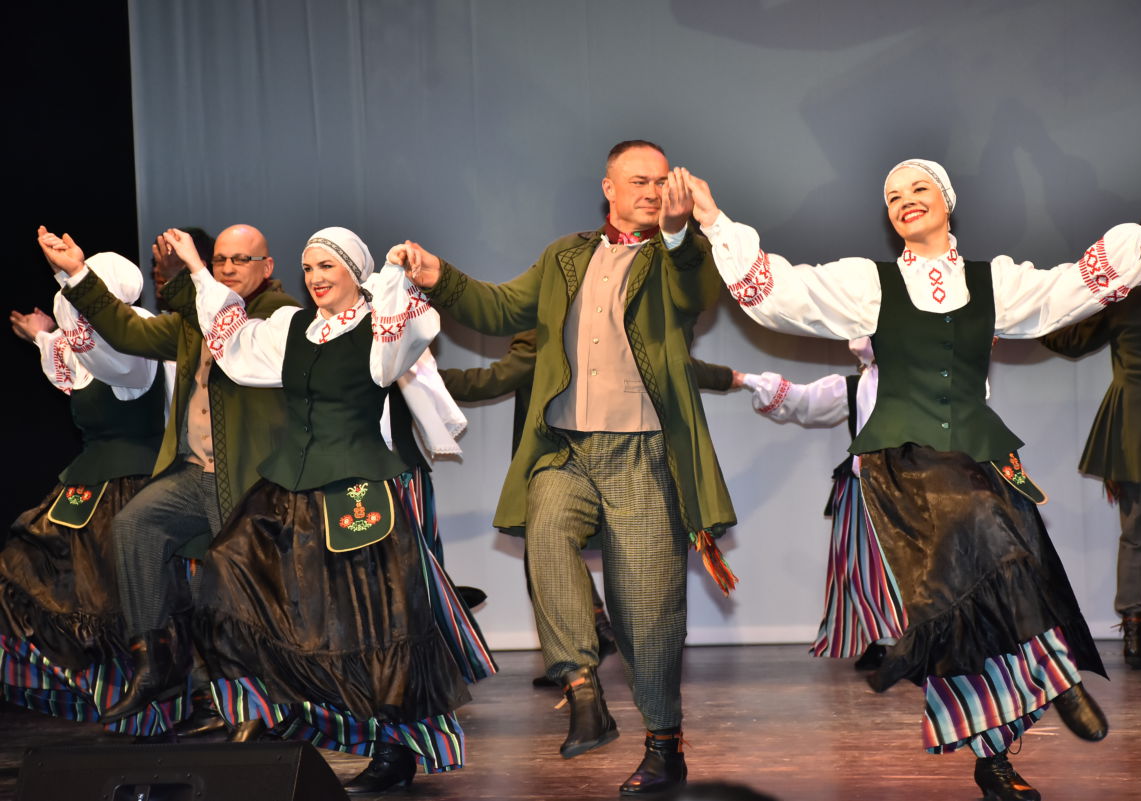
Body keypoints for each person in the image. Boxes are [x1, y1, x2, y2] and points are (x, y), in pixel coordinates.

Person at [685, 161, 1141, 801]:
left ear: (947, 200)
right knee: (993, 540)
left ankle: (994, 760)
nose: (905, 201)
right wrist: (714, 221)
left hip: (979, 454)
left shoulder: (994, 282)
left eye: (918, 189)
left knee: (976, 614)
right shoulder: (868, 285)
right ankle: (1058, 678)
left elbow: (1074, 287)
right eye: (893, 196)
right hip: (904, 462)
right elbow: (780, 293)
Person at [395, 140, 737, 796]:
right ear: (608, 187)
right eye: (638, 181)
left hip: (644, 453)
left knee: (647, 612)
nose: (652, 191)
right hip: (565, 448)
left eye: (661, 182)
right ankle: (582, 689)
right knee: (545, 532)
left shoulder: (677, 256)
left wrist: (677, 233)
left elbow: (695, 289)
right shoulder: (565, 256)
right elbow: (500, 308)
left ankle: (664, 746)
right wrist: (442, 276)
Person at [173, 225, 489, 794]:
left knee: (371, 623)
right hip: (291, 489)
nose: (315, 278)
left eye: (327, 267)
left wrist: (395, 280)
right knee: (230, 570)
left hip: (356, 491)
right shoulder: (291, 327)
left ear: (354, 273)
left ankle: (395, 749)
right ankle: (283, 708)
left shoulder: (380, 328)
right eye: (309, 268)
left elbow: (399, 347)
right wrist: (198, 269)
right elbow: (233, 342)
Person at [40, 224, 299, 735]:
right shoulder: (193, 322)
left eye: (241, 260)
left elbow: (240, 338)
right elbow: (127, 333)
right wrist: (77, 274)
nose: (228, 268)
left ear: (267, 267)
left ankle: (256, 710)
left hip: (249, 482)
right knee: (136, 524)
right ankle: (154, 662)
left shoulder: (279, 315)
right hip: (195, 473)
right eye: (220, 260)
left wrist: (196, 279)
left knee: (236, 593)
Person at [440, 330, 745, 688]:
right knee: (556, 549)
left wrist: (409, 374)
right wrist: (732, 377)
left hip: (572, 462)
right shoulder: (582, 327)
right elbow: (674, 362)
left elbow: (490, 381)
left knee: (553, 550)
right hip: (599, 461)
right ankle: (593, 638)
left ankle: (588, 655)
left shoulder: (545, 330)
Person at [1, 249, 172, 736]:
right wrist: (42, 334)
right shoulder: (91, 348)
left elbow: (113, 361)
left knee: (108, 602)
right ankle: (110, 701)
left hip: (130, 485)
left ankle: (148, 712)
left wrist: (72, 283)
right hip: (86, 483)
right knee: (33, 578)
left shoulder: (136, 342)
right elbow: (77, 353)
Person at [1040, 212, 1141, 665]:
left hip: (1138, 427)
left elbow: (1070, 341)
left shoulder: (1123, 293)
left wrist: (1030, 320)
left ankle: (1134, 638)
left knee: (1138, 535)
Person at [741, 338, 906, 672]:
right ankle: (883, 641)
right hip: (865, 489)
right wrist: (748, 380)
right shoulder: (856, 388)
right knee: (864, 567)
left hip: (918, 488)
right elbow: (805, 401)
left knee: (919, 566)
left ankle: (920, 642)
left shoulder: (931, 387)